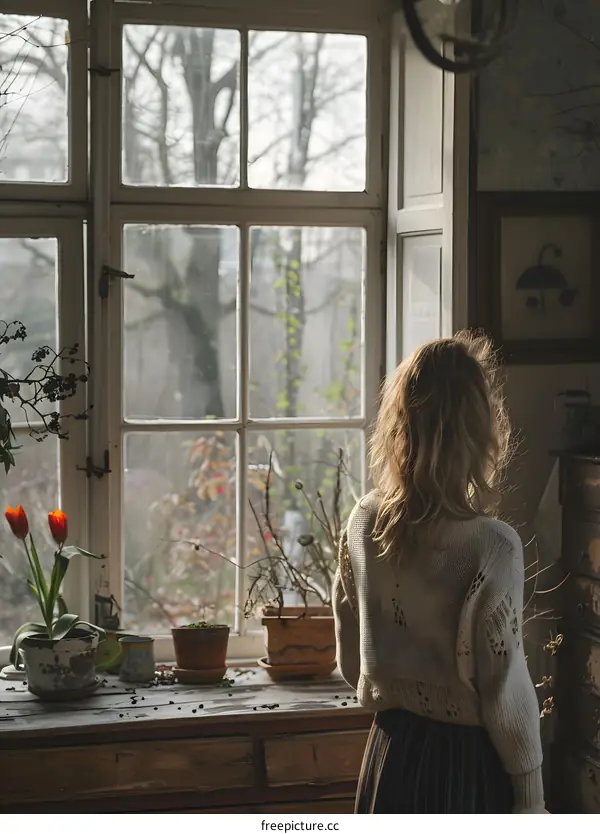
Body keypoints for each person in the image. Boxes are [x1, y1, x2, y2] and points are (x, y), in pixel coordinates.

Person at [333, 331, 545, 814]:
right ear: (479, 432)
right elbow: (506, 695)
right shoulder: (492, 546)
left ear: (399, 423)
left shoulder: (363, 523)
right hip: (467, 769)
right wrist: (532, 804)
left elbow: (350, 657)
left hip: (389, 755)